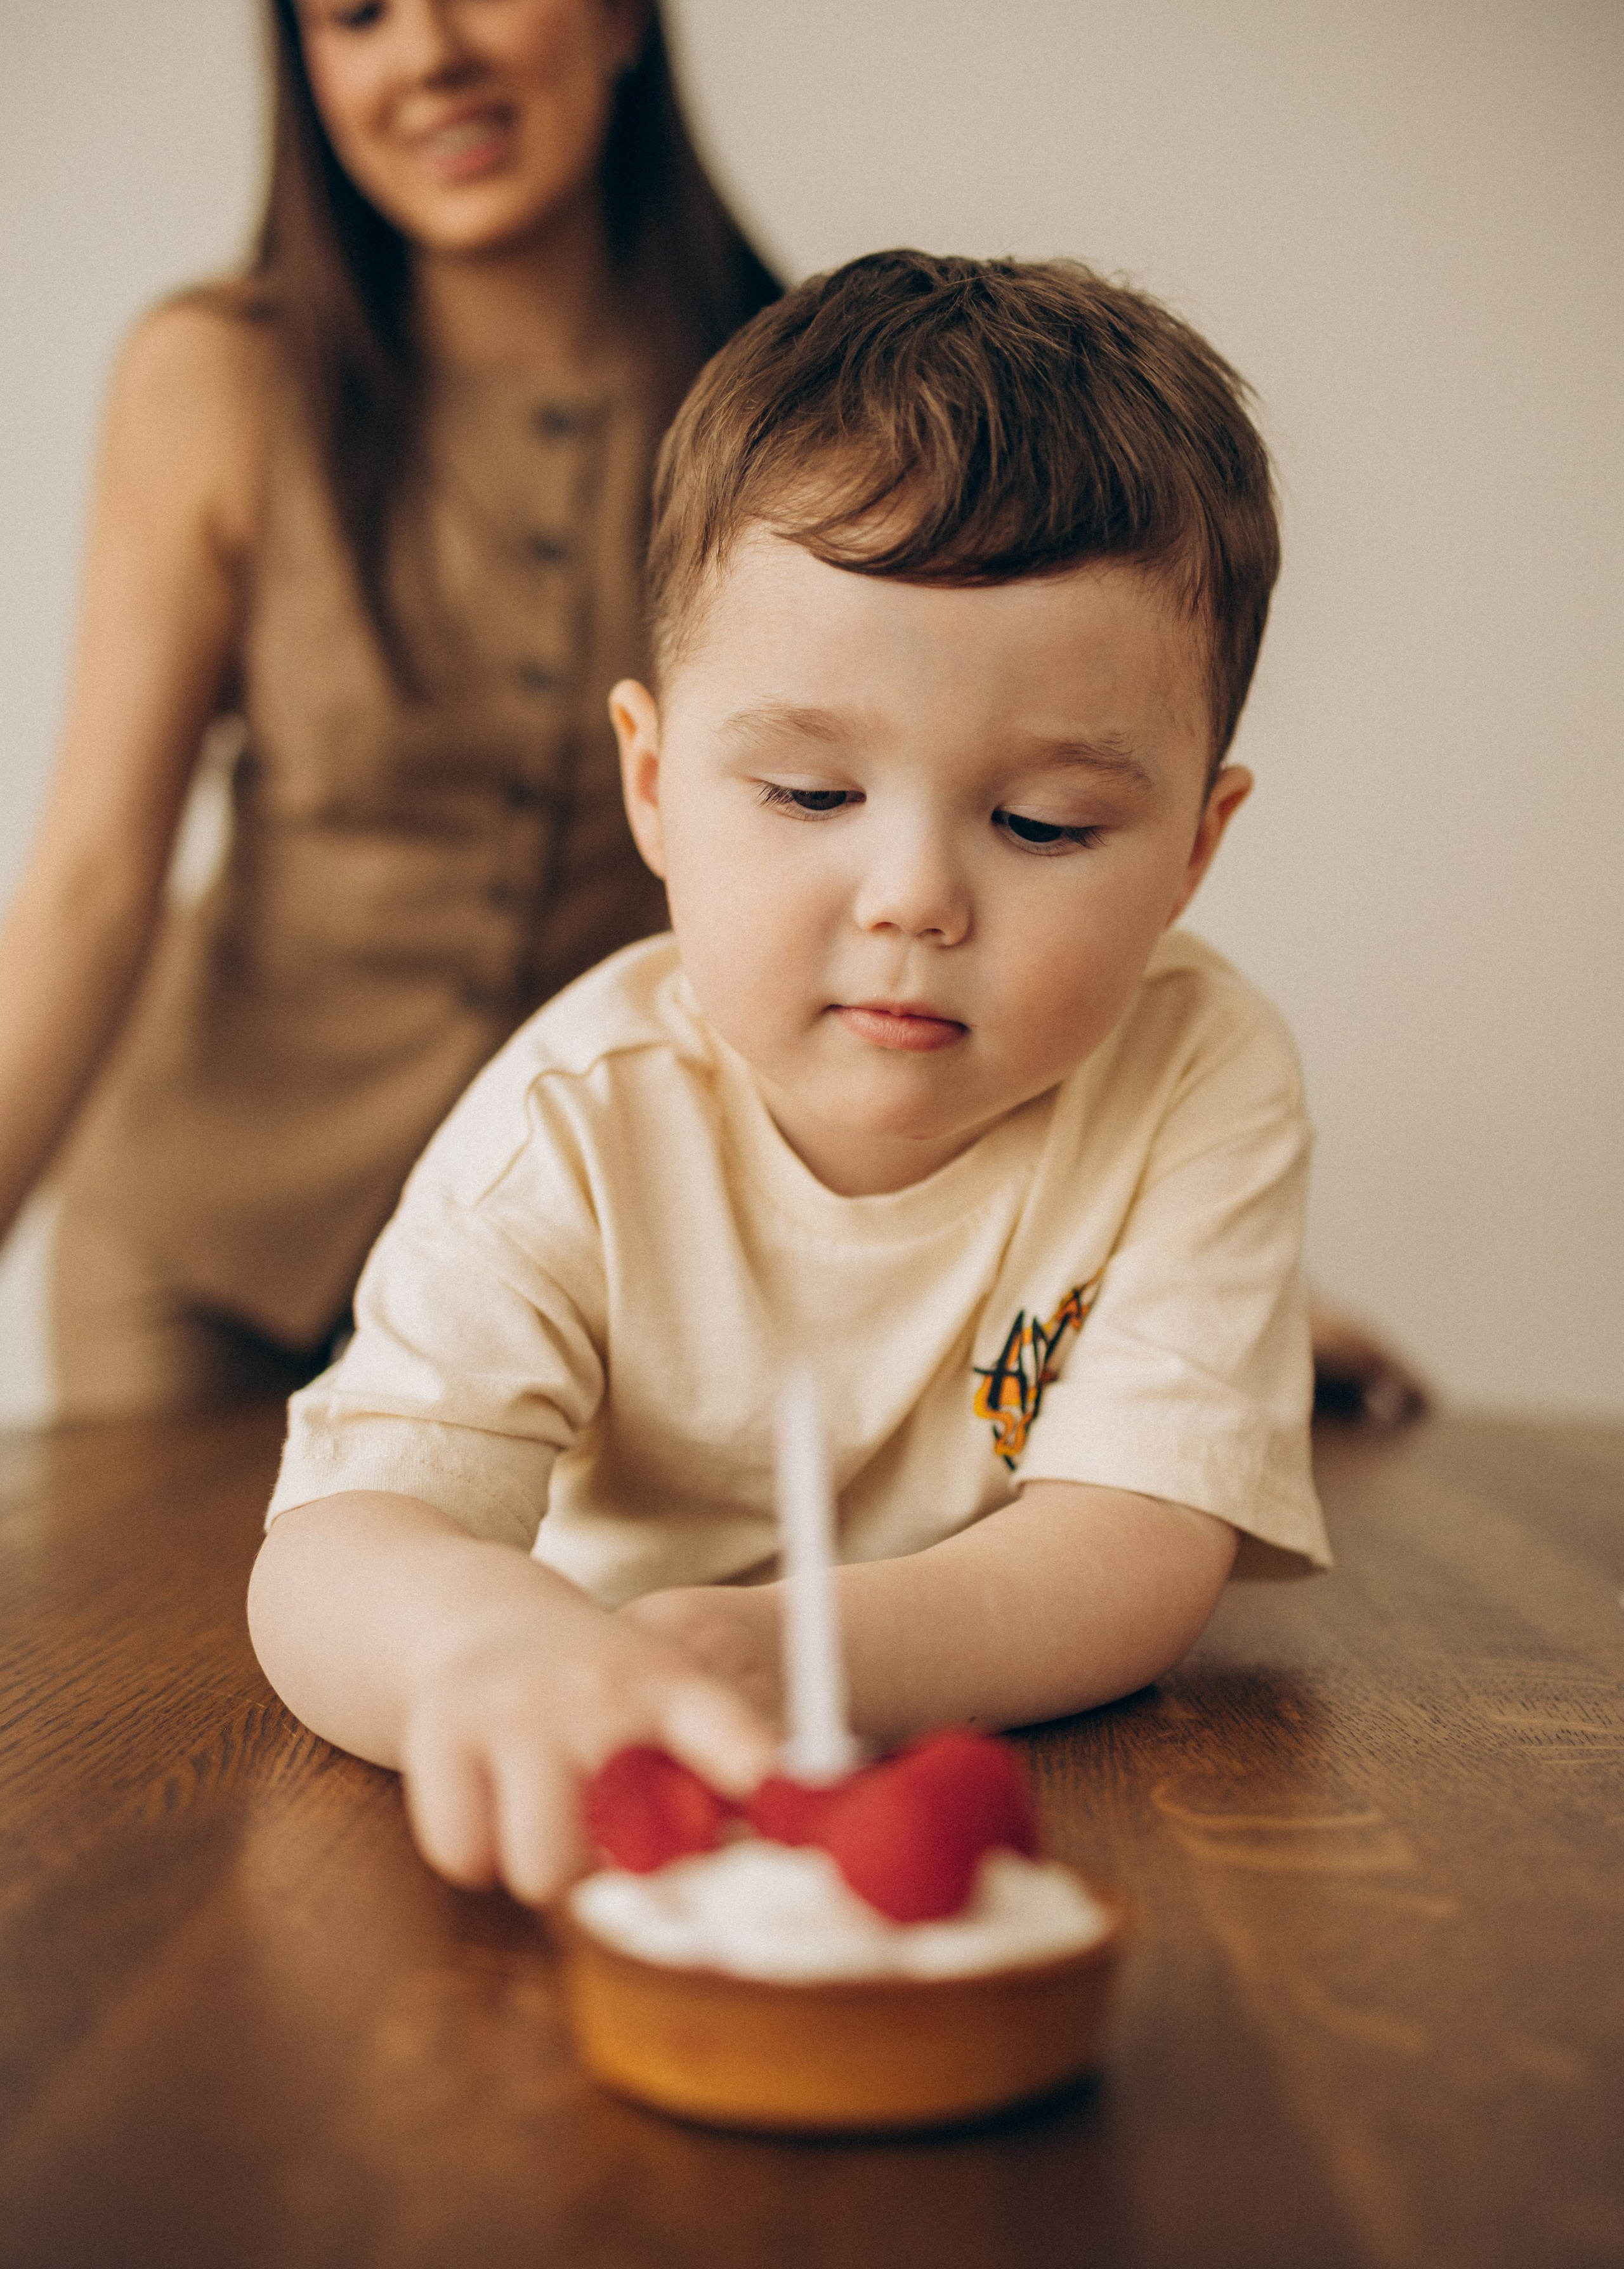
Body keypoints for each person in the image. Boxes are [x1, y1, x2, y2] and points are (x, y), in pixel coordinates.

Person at [249, 249, 1333, 1904]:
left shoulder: (1204, 1070)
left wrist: (754, 1653)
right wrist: (477, 1640)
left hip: (982, 1793)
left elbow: (1131, 1547)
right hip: (625, 1786)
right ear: (657, 782)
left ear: (1195, 847)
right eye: (813, 793)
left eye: (1041, 823)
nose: (913, 896)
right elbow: (333, 1547)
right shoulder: (576, 1115)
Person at [0, 0, 777, 1417]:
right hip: (201, 1277)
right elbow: (88, 887)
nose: (426, 54)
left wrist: (1145, 1297)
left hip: (580, 1293)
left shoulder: (801, 402)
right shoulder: (217, 381)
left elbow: (941, 841)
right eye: (350, 11)